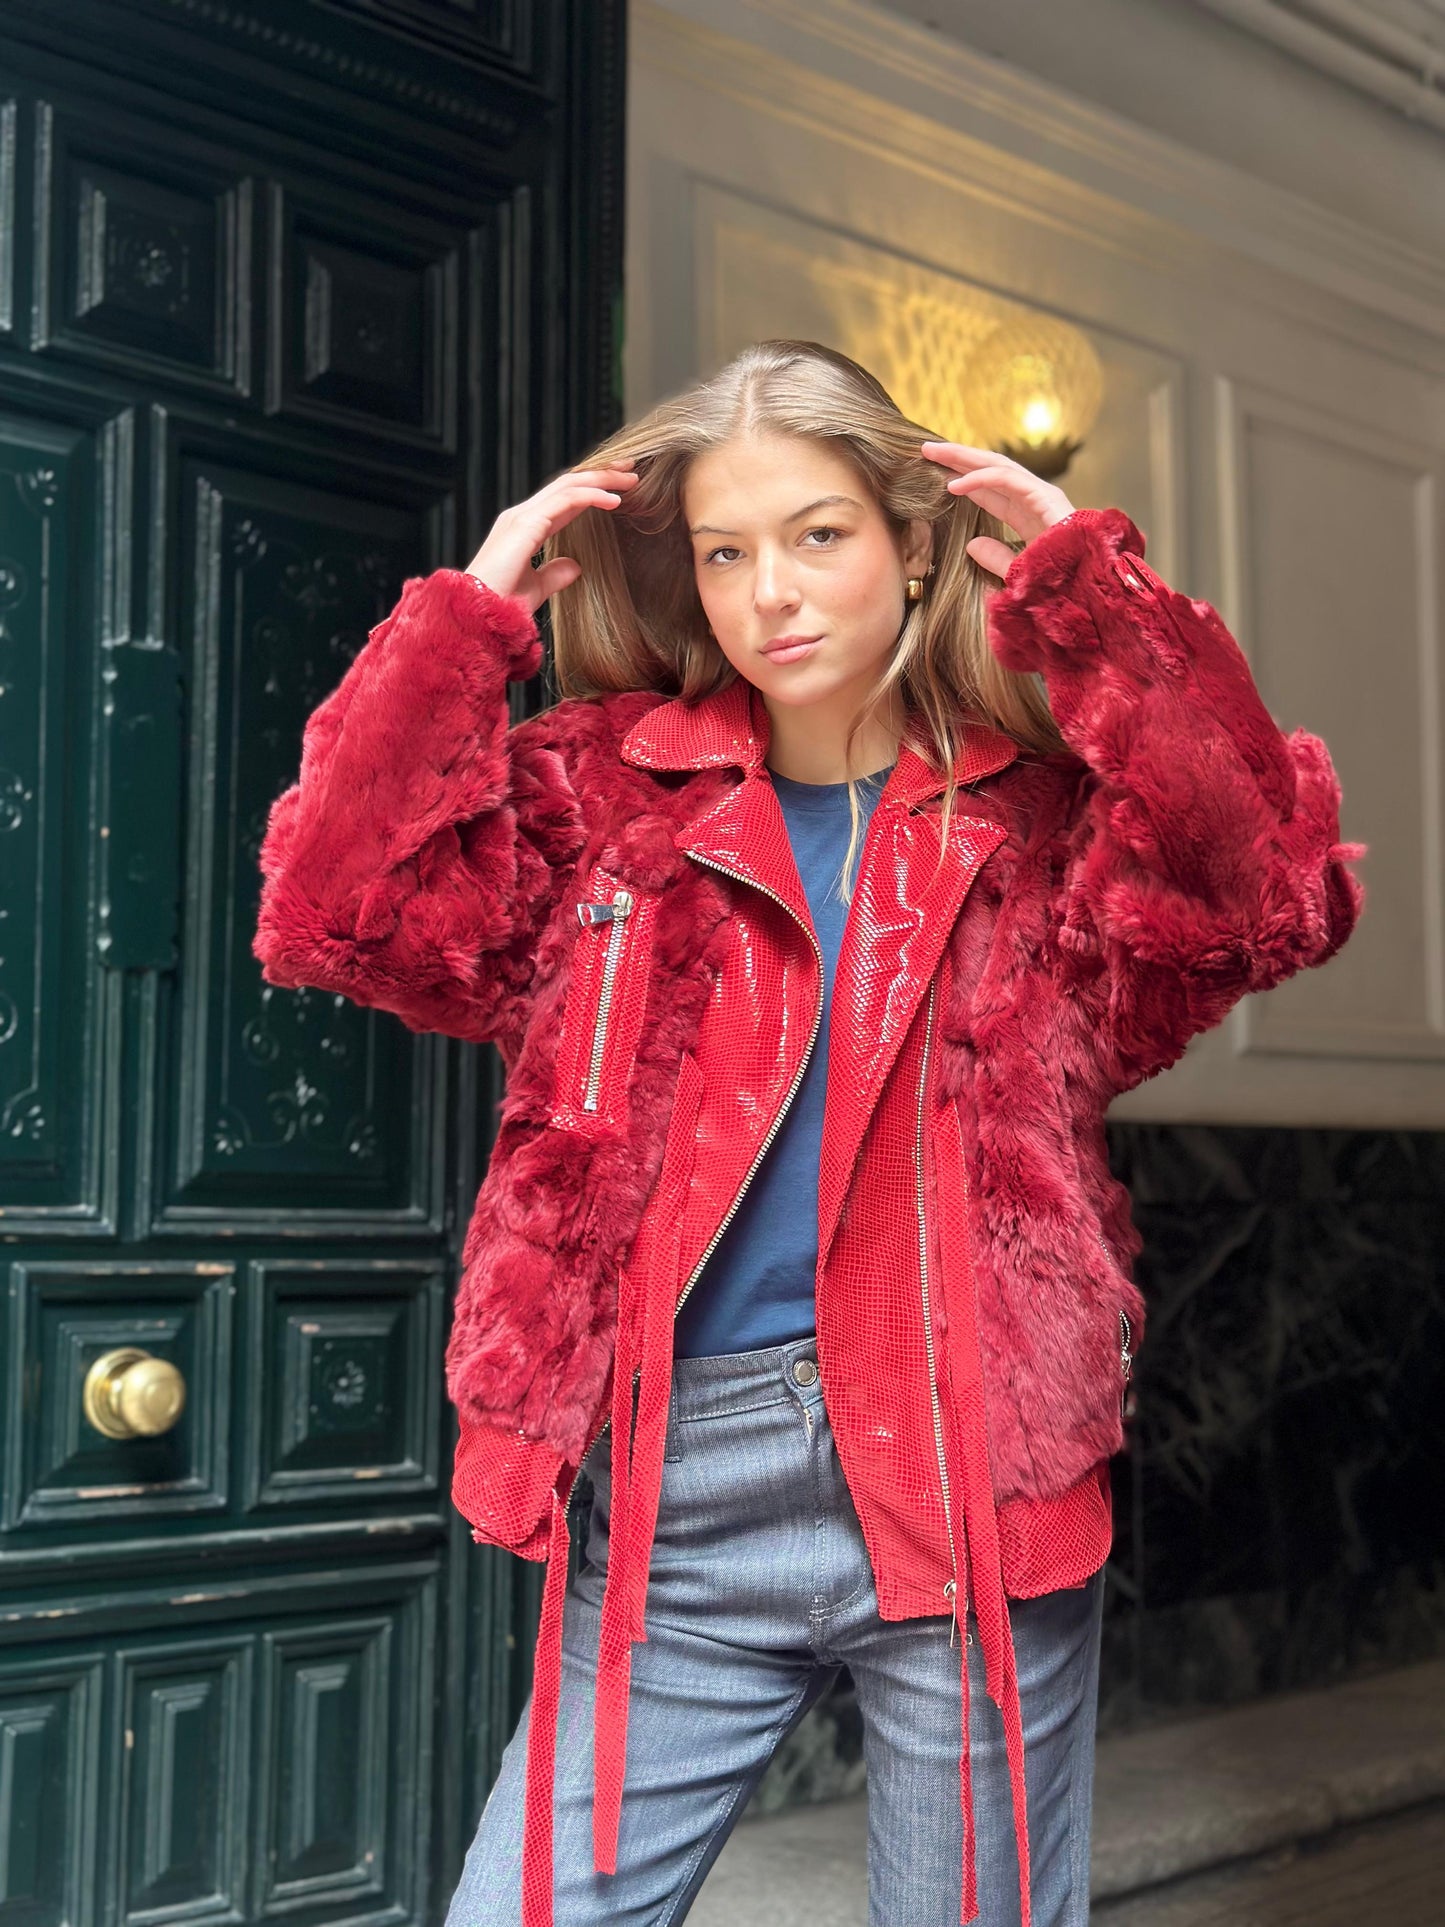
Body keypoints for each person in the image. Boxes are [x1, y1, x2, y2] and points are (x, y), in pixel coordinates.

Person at [251, 339, 1367, 1927]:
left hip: (962, 1466)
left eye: (817, 534)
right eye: (722, 550)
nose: (766, 592)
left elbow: (1261, 895)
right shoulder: (605, 800)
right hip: (675, 1492)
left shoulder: (1036, 830)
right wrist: (463, 623)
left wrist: (1094, 603)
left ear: (912, 542)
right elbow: (337, 911)